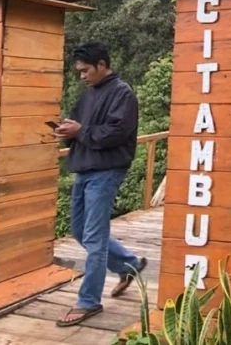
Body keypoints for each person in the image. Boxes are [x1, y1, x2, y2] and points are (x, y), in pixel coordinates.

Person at [55, 42, 147, 328]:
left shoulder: (123, 94)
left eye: (85, 70)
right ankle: (128, 264)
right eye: (79, 72)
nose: (81, 76)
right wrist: (66, 132)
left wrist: (80, 131)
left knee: (95, 238)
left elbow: (117, 133)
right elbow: (80, 130)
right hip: (83, 168)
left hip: (106, 171)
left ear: (102, 65)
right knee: (80, 230)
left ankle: (88, 302)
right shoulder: (88, 96)